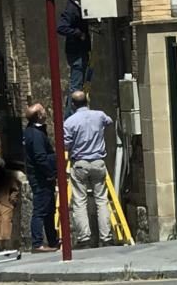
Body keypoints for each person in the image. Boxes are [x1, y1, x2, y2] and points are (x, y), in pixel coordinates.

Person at [63, 91, 113, 248]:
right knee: (102, 200)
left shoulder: (69, 122)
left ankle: (84, 238)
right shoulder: (99, 115)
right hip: (98, 162)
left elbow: (65, 144)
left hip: (80, 163)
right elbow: (109, 121)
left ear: (72, 104)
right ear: (87, 100)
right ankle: (106, 237)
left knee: (79, 201)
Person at [24, 103, 60, 253]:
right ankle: (37, 243)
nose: (46, 111)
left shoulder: (32, 131)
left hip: (41, 177)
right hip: (41, 178)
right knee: (40, 210)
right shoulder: (36, 134)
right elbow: (40, 158)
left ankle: (53, 240)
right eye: (43, 110)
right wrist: (50, 173)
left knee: (49, 209)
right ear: (39, 115)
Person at [57, 0, 91, 119]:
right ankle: (71, 116)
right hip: (76, 52)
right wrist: (78, 33)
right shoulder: (72, 8)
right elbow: (61, 27)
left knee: (78, 85)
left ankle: (72, 114)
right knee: (76, 86)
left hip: (80, 51)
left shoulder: (77, 7)